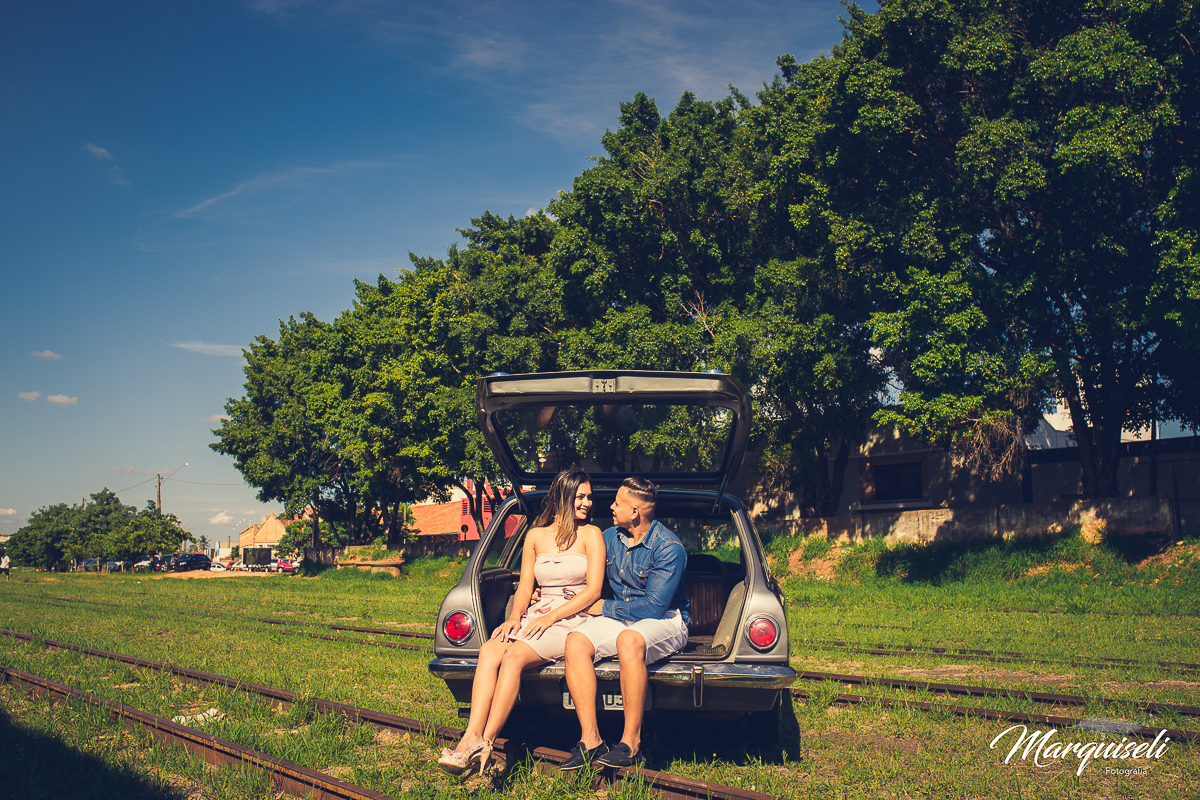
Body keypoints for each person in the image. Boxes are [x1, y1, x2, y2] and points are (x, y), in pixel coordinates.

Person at [437, 468, 605, 775]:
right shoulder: (535, 536)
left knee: (513, 657)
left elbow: (593, 590)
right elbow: (526, 587)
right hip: (537, 615)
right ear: (563, 497)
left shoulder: (591, 534)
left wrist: (552, 616)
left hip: (572, 617)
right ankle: (471, 736)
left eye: (589, 497)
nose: (587, 503)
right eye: (580, 497)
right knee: (490, 650)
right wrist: (514, 617)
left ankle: (486, 742)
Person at [560, 476, 689, 770]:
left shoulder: (668, 547)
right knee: (576, 641)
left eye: (617, 503)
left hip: (667, 618)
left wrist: (604, 606)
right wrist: (543, 589)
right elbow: (572, 564)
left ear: (634, 512)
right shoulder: (609, 537)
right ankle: (591, 740)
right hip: (623, 617)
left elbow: (654, 607)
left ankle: (631, 744)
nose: (611, 507)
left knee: (629, 640)